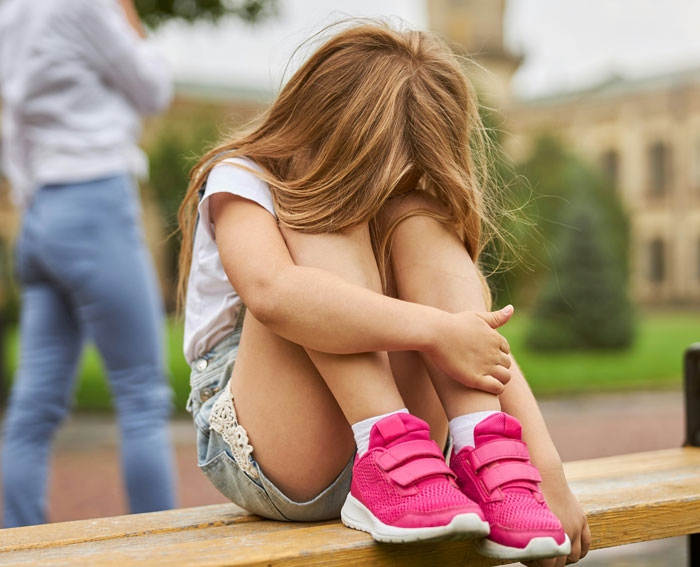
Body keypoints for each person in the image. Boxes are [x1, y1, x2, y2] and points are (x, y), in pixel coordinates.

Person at [178, 23, 591, 564]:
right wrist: (436, 331)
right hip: (281, 454)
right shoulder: (245, 178)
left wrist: (545, 470)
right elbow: (274, 294)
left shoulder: (406, 203)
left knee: (418, 216)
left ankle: (488, 457)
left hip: (428, 466)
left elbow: (475, 341)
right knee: (319, 203)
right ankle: (386, 443)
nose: (390, 181)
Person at [0, 0, 176, 527]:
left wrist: (28, 192)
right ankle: (159, 556)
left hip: (38, 212)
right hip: (95, 201)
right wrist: (130, 17)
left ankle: (18, 547)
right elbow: (154, 90)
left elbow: (11, 124)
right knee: (143, 396)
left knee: (33, 412)